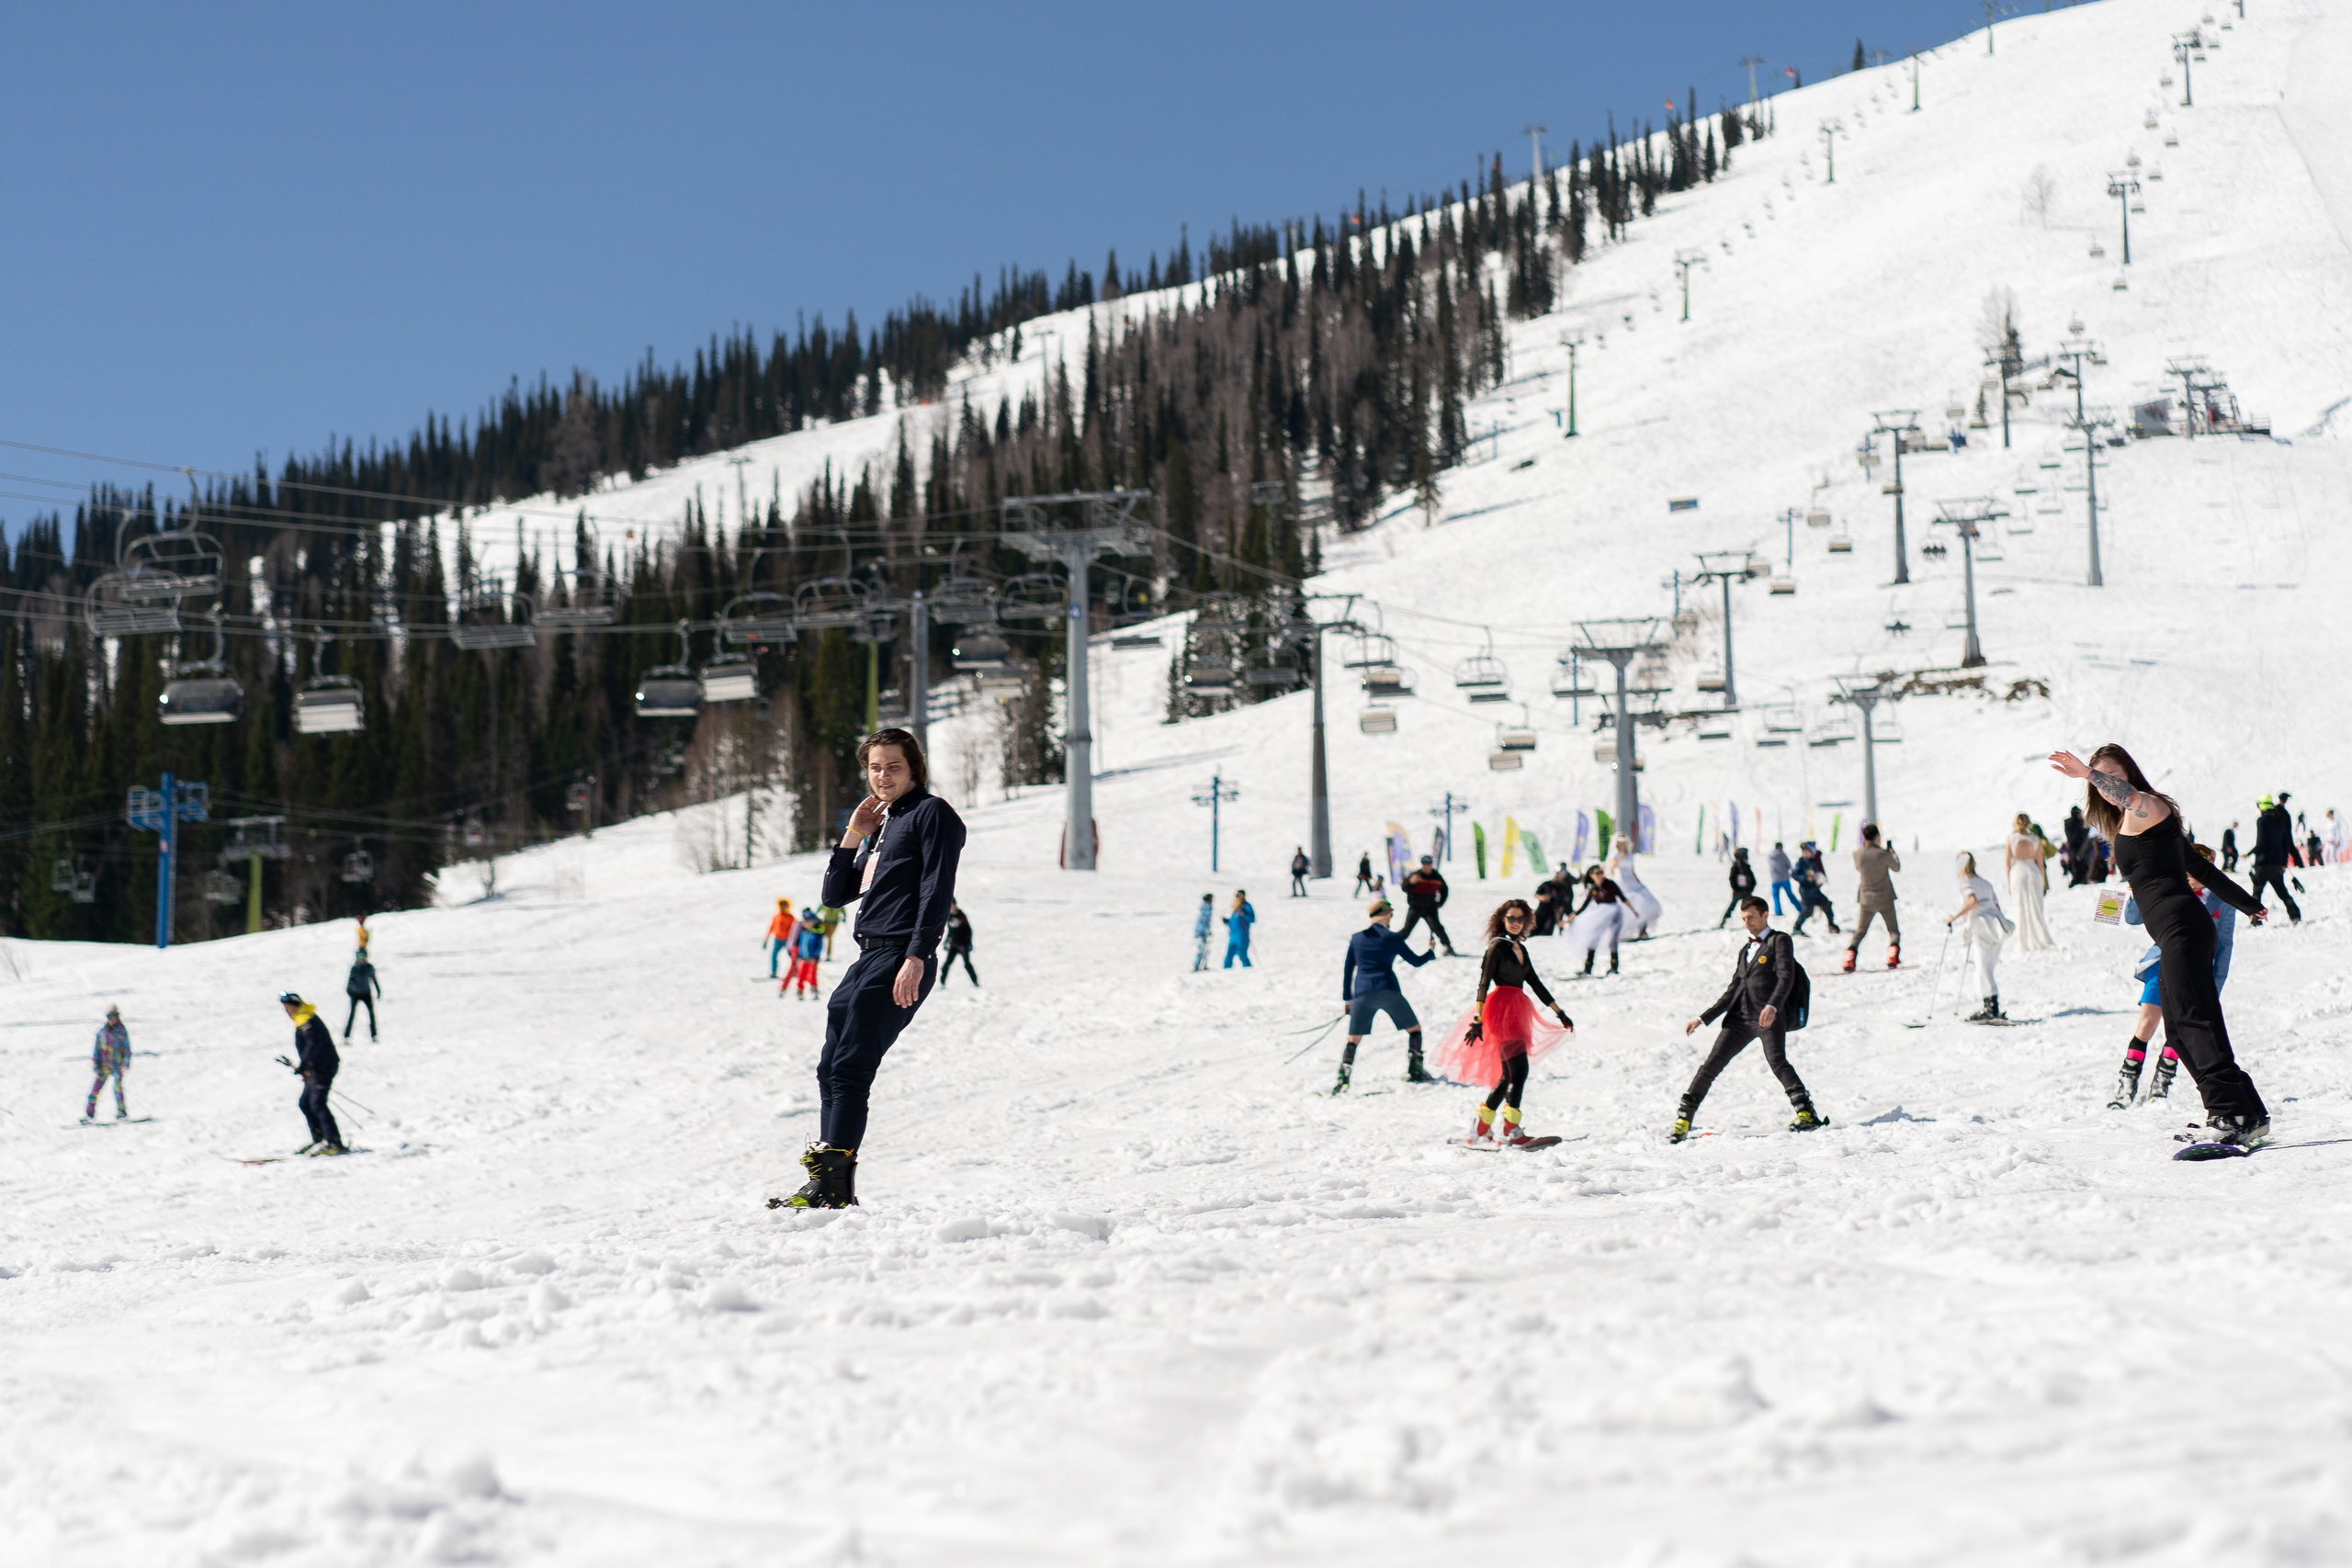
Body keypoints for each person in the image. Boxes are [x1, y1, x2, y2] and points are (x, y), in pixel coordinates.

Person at [775, 728, 965, 1211]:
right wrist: (854, 833)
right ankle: (828, 1182)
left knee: (852, 1067)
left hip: (900, 953)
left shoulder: (931, 814)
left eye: (893, 766)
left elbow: (935, 890)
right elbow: (835, 896)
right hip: (866, 956)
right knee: (830, 1067)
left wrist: (917, 957)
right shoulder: (883, 823)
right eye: (875, 767)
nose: (882, 776)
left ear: (914, 769)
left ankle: (834, 1189)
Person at [2052, 744, 2269, 1148]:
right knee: (2182, 1028)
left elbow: (2128, 796)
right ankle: (2247, 1111)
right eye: (2100, 777)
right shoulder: (2133, 825)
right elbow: (2201, 868)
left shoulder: (2146, 806)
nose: (2106, 784)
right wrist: (2249, 903)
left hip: (2183, 927)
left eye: (2111, 775)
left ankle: (2227, 1113)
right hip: (2176, 932)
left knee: (2193, 1022)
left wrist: (2086, 774)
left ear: (2127, 775)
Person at [1670, 897, 1824, 1142]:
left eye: (1751, 917)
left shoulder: (1780, 940)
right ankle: (1683, 1119)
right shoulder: (1746, 950)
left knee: (1777, 1062)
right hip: (1739, 1019)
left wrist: (1773, 1005)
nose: (1747, 923)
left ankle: (1806, 1113)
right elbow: (1733, 990)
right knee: (1710, 1066)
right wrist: (1702, 1018)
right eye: (1743, 918)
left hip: (1769, 1018)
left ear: (1765, 915)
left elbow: (1787, 976)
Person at [1433, 899, 1574, 1145]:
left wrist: (1559, 1012)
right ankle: (1510, 1131)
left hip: (1518, 1010)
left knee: (1509, 1074)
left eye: (1521, 919)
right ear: (1502, 919)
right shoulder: (1497, 947)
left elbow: (1535, 983)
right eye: (1511, 918)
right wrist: (1478, 1019)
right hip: (1500, 1011)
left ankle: (1480, 1128)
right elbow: (1483, 982)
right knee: (1518, 1071)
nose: (1516, 923)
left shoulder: (1521, 949)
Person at [2109, 850, 2236, 1109]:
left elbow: (2225, 946)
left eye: (2199, 870)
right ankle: (2127, 1084)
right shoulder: (2173, 888)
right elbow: (2133, 919)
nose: (2192, 876)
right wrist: (2134, 889)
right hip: (2161, 963)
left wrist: (2216, 986)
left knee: (2179, 1028)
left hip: (2197, 970)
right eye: (2189, 870)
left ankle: (2161, 1083)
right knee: (2146, 1023)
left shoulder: (2222, 901)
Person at [1335, 898, 1438, 1091]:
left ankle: (1343, 1077)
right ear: (1386, 914)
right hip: (1388, 989)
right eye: (1391, 914)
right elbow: (1415, 961)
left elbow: (1348, 969)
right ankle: (1415, 1069)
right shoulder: (1392, 938)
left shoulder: (1356, 938)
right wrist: (1430, 952)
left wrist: (1347, 999)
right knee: (1414, 1029)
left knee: (1353, 1039)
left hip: (1363, 992)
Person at [1947, 852, 2014, 1021]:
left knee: (1982, 968)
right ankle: (1991, 1006)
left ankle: (1991, 1008)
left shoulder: (1965, 883)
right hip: (1996, 924)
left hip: (1981, 925)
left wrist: (1953, 918)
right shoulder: (1985, 883)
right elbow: (1996, 905)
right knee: (1988, 967)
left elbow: (1972, 901)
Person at [278, 991, 345, 1156]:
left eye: (288, 1007)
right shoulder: (303, 1018)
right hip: (316, 1068)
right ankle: (320, 1138)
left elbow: (315, 1044)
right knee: (305, 1103)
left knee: (317, 1103)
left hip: (322, 1068)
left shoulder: (307, 1019)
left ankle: (333, 1141)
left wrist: (306, 1064)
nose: (287, 1011)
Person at [1844, 823, 1902, 972]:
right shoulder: (1883, 855)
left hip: (1866, 899)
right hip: (1885, 898)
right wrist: (1891, 853)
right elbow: (1896, 867)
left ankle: (1849, 958)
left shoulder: (1858, 854)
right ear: (1877, 836)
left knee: (1860, 931)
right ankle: (1892, 957)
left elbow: (1859, 868)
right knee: (1893, 931)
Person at [2005, 813, 2057, 952]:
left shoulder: (2011, 839)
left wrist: (2009, 882)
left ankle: (2023, 943)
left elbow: (2007, 863)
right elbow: (2040, 863)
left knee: (2020, 908)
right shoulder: (2035, 838)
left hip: (2018, 872)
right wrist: (2044, 883)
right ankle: (2041, 939)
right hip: (2033, 872)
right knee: (2036, 907)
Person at [1562, 865, 1625, 976]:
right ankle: (1587, 969)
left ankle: (1614, 968)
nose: (1601, 875)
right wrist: (1571, 917)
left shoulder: (1610, 884)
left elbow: (1623, 898)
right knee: (1592, 940)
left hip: (1615, 914)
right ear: (1592, 876)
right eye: (1598, 873)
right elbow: (1584, 906)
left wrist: (1634, 912)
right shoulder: (1594, 888)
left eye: (1602, 872)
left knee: (1612, 941)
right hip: (1600, 916)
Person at [2249, 793, 2301, 924]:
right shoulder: (2281, 820)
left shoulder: (2262, 821)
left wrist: (2250, 853)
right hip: (2277, 864)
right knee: (2282, 892)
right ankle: (2295, 915)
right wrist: (2283, 863)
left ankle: (2256, 919)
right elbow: (2286, 843)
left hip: (2263, 863)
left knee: (2257, 892)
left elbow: (2261, 842)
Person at [1606, 835, 1663, 939]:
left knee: (1644, 902)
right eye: (1620, 842)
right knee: (1628, 905)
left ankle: (1642, 929)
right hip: (1621, 881)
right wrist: (1620, 857)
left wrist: (1638, 881)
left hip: (1631, 881)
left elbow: (1632, 870)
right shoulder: (1614, 855)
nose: (1622, 844)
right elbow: (1612, 869)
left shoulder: (1630, 855)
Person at [1398, 855, 1456, 955]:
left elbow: (1445, 890)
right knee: (1407, 929)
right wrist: (1411, 883)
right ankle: (1392, 945)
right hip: (1415, 907)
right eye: (1424, 864)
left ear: (1431, 865)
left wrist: (1440, 903)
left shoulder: (1436, 876)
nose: (1426, 866)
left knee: (1437, 927)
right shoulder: (1416, 875)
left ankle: (1447, 947)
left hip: (1430, 908)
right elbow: (1404, 888)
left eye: (1428, 864)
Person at [83, 1005, 130, 1122]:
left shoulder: (121, 1032)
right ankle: (90, 1115)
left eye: (114, 1016)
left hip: (117, 1066)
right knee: (94, 1091)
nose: (111, 1019)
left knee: (118, 1090)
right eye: (109, 1017)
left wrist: (125, 1063)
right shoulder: (102, 1033)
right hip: (103, 1066)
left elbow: (127, 1049)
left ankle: (121, 1112)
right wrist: (96, 1064)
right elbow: (97, 1050)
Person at [1790, 841, 1840, 937]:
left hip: (1815, 890)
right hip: (1806, 891)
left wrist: (1819, 879)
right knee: (1807, 911)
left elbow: (1819, 870)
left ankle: (1831, 924)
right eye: (1804, 852)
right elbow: (1794, 874)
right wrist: (1805, 877)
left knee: (1826, 903)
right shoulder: (1801, 862)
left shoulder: (1814, 861)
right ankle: (1797, 927)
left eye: (1807, 852)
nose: (1805, 854)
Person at [343, 950, 381, 1042]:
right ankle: (347, 1037)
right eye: (359, 956)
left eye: (363, 956)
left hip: (366, 993)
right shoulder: (354, 968)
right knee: (352, 1015)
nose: (361, 958)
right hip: (356, 994)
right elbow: (350, 981)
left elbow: (374, 980)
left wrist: (378, 991)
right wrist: (349, 991)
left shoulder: (369, 967)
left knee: (371, 1015)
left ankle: (374, 1035)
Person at [786, 912, 826, 998]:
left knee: (812, 975)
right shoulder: (803, 933)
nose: (807, 924)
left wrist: (815, 956)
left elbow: (819, 946)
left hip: (813, 959)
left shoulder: (816, 934)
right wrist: (798, 955)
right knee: (801, 975)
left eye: (809, 922)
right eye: (805, 922)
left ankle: (814, 989)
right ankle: (800, 991)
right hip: (804, 959)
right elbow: (801, 946)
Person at [1718, 847, 1758, 928]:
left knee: (1750, 907)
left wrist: (1751, 888)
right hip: (1738, 891)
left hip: (1746, 891)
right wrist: (1735, 888)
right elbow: (1732, 878)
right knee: (1732, 907)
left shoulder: (1746, 866)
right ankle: (1724, 921)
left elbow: (1752, 879)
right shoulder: (1736, 866)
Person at [941, 901, 978, 986]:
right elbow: (950, 931)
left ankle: (975, 982)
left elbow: (969, 930)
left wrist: (969, 942)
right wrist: (947, 941)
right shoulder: (949, 916)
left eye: (952, 906)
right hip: (953, 944)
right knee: (946, 964)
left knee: (967, 964)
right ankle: (942, 983)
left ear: (955, 905)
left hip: (962, 945)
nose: (951, 908)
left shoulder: (961, 915)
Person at [764, 898, 799, 979]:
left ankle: (795, 972)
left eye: (784, 905)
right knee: (774, 956)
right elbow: (771, 927)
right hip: (777, 939)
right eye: (781, 905)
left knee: (793, 956)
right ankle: (773, 972)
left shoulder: (791, 917)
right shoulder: (776, 916)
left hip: (788, 940)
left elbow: (795, 930)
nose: (783, 907)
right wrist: (766, 939)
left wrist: (795, 941)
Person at [1223, 890, 1257, 968]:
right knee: (1229, 955)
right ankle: (1226, 970)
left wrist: (1245, 914)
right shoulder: (1235, 907)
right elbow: (1234, 922)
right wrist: (1227, 921)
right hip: (1233, 935)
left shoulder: (1246, 906)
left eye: (1240, 896)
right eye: (1237, 896)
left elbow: (1252, 919)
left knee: (1242, 954)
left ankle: (1248, 969)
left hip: (1242, 935)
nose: (1238, 898)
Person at [2064, 807, 2093, 886]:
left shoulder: (2075, 823)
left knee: (2082, 866)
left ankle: (2082, 880)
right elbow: (2075, 835)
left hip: (2081, 848)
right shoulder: (2072, 824)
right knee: (2077, 867)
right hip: (2075, 848)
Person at [1767, 841, 1797, 916]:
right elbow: (1789, 865)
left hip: (1775, 880)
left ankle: (1778, 911)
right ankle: (1800, 908)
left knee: (1776, 896)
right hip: (1784, 879)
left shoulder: (1770, 856)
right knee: (1790, 894)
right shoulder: (1783, 855)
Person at [1192, 894, 1214, 972]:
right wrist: (1206, 930)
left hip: (1200, 932)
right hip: (1201, 933)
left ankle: (1200, 965)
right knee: (1202, 949)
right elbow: (1204, 921)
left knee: (1203, 949)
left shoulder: (1204, 908)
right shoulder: (1207, 909)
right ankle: (1197, 965)